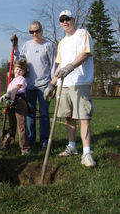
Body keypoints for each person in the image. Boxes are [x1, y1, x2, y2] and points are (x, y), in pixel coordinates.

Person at [44, 10, 96, 168]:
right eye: (62, 20)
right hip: (63, 85)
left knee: (83, 117)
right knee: (68, 117)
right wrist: (51, 84)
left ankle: (87, 152)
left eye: (67, 19)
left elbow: (85, 53)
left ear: (73, 19)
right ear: (60, 23)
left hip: (80, 83)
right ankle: (72, 146)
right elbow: (60, 65)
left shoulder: (82, 34)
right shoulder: (62, 42)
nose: (65, 22)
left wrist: (71, 66)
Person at [11, 21, 57, 148]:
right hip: (29, 85)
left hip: (44, 84)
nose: (34, 34)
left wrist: (53, 84)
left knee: (43, 113)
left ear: (42, 31)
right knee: (30, 112)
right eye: (31, 32)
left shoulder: (48, 45)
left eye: (37, 31)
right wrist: (15, 48)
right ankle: (31, 138)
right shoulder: (27, 45)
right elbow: (19, 61)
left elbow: (54, 64)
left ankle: (44, 140)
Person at [0, 58, 31, 155]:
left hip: (19, 102)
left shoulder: (21, 79)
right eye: (16, 69)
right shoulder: (12, 80)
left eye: (21, 70)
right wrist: (7, 98)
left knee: (21, 126)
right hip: (11, 102)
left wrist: (10, 100)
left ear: (24, 72)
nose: (18, 71)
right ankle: (9, 144)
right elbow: (10, 91)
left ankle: (25, 148)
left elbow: (14, 90)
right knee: (12, 126)